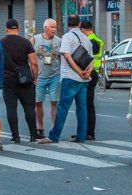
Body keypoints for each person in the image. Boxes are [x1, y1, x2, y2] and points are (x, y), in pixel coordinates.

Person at [37, 15, 93, 144]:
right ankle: (81, 136)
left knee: (62, 108)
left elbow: (67, 56)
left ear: (68, 24)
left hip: (70, 78)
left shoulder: (67, 37)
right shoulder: (86, 38)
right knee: (82, 108)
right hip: (84, 80)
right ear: (79, 24)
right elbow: (91, 59)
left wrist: (79, 72)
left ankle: (53, 136)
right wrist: (87, 72)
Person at [1, 19, 40, 143]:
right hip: (25, 80)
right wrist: (35, 77)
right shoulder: (26, 42)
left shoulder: (1, 43)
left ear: (6, 29)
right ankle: (33, 135)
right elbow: (33, 62)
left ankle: (15, 136)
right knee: (29, 108)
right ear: (18, 29)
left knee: (11, 108)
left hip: (7, 80)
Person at [30, 19, 62, 139]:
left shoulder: (59, 41)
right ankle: (40, 127)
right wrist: (32, 73)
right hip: (39, 76)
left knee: (54, 102)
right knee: (38, 102)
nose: (54, 29)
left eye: (55, 27)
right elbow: (27, 54)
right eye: (51, 27)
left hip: (55, 75)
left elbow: (63, 58)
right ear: (45, 28)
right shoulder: (35, 39)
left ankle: (53, 127)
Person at [80, 20, 103, 141]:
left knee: (88, 104)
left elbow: (88, 58)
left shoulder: (90, 40)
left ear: (83, 30)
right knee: (87, 104)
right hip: (94, 73)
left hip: (91, 73)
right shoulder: (96, 39)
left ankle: (89, 133)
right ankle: (87, 132)